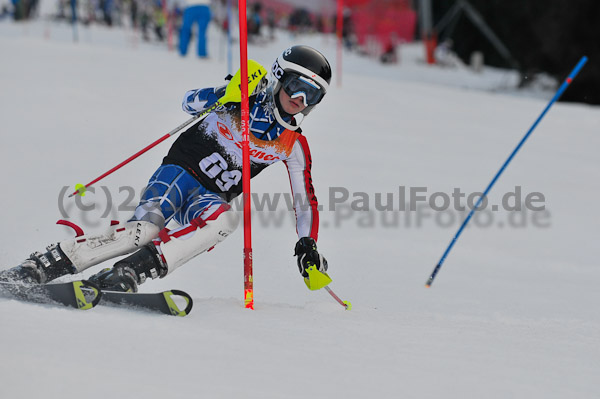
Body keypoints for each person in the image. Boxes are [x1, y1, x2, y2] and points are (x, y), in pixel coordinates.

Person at [0, 45, 332, 293]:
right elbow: (188, 102)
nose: (299, 98)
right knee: (144, 231)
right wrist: (223, 93)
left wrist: (308, 244)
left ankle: (131, 271)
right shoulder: (241, 97)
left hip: (210, 198)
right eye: (294, 85)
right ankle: (48, 262)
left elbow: (305, 203)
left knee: (227, 219)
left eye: (311, 94)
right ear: (278, 76)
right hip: (180, 173)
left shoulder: (293, 144)